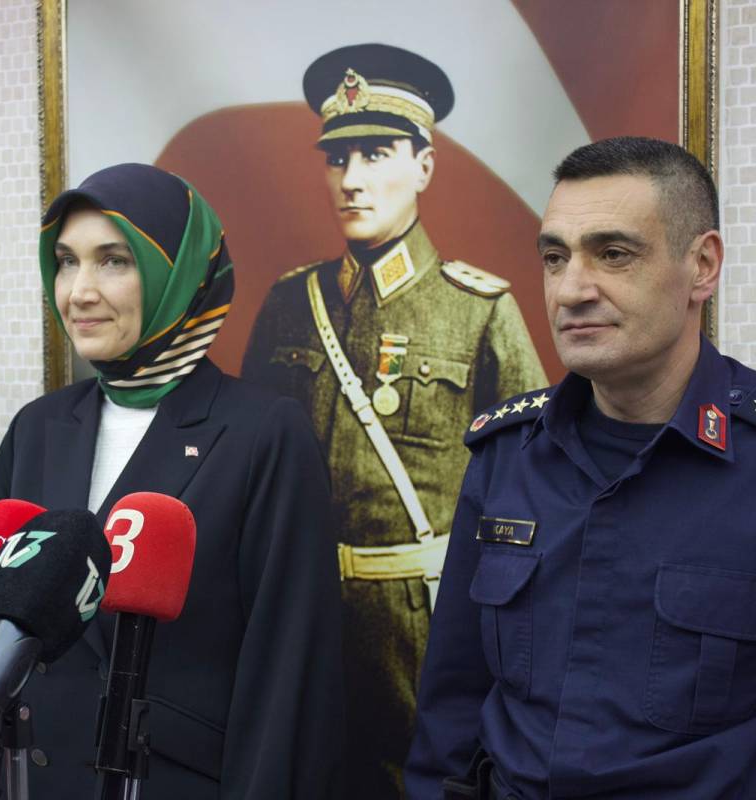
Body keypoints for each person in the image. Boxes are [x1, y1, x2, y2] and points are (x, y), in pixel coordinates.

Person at [406, 136, 756, 799]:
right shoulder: (507, 454)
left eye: (613, 254)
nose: (571, 290)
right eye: (554, 257)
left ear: (702, 266)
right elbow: (453, 704)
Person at [240, 42, 546, 795]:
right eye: (338, 158)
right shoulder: (290, 304)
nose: (351, 179)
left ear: (424, 166)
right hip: (301, 611)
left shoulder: (479, 312)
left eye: (376, 154)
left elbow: (535, 492)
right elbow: (244, 467)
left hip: (422, 622)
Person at [0, 163, 343, 798]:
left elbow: (287, 673)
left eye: (114, 261)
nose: (78, 292)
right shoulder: (37, 427)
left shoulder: (264, 433)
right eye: (66, 262)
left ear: (179, 274)